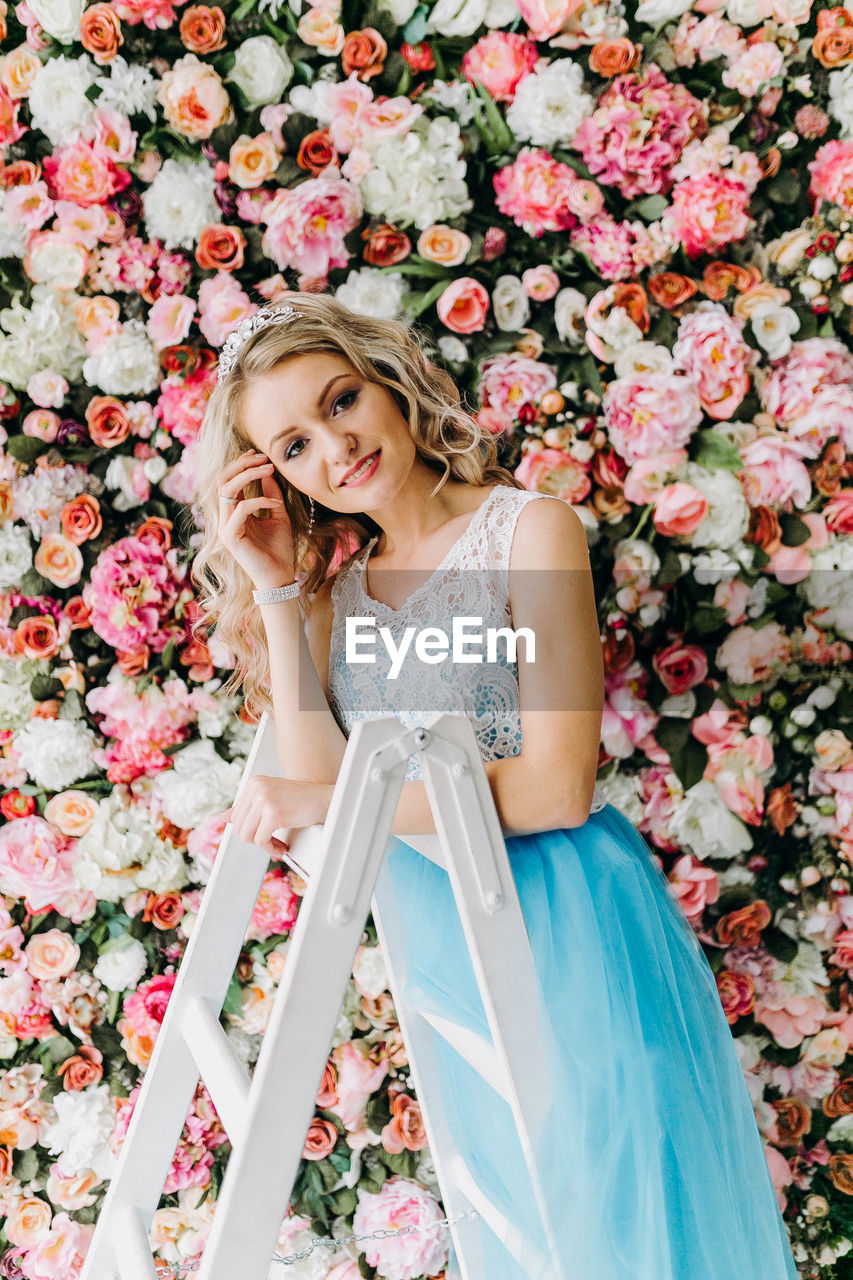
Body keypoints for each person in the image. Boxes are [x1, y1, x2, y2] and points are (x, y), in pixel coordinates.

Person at [191, 294, 800, 1280]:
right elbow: (313, 783)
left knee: (613, 1204)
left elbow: (557, 787)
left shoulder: (529, 529)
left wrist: (341, 801)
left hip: (565, 914)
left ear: (386, 380)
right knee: (524, 1225)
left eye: (340, 401)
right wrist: (272, 586)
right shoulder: (331, 592)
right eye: (294, 446)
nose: (334, 447)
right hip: (440, 929)